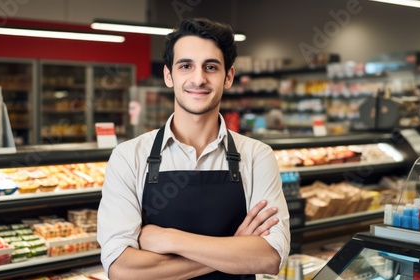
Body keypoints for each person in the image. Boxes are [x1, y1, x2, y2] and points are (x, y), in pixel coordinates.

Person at [97, 18, 290, 279]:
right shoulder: (129, 157)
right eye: (186, 66)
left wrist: (169, 238)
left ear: (228, 77)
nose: (198, 79)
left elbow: (269, 257)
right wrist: (234, 247)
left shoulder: (257, 156)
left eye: (211, 67)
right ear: (169, 75)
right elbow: (122, 269)